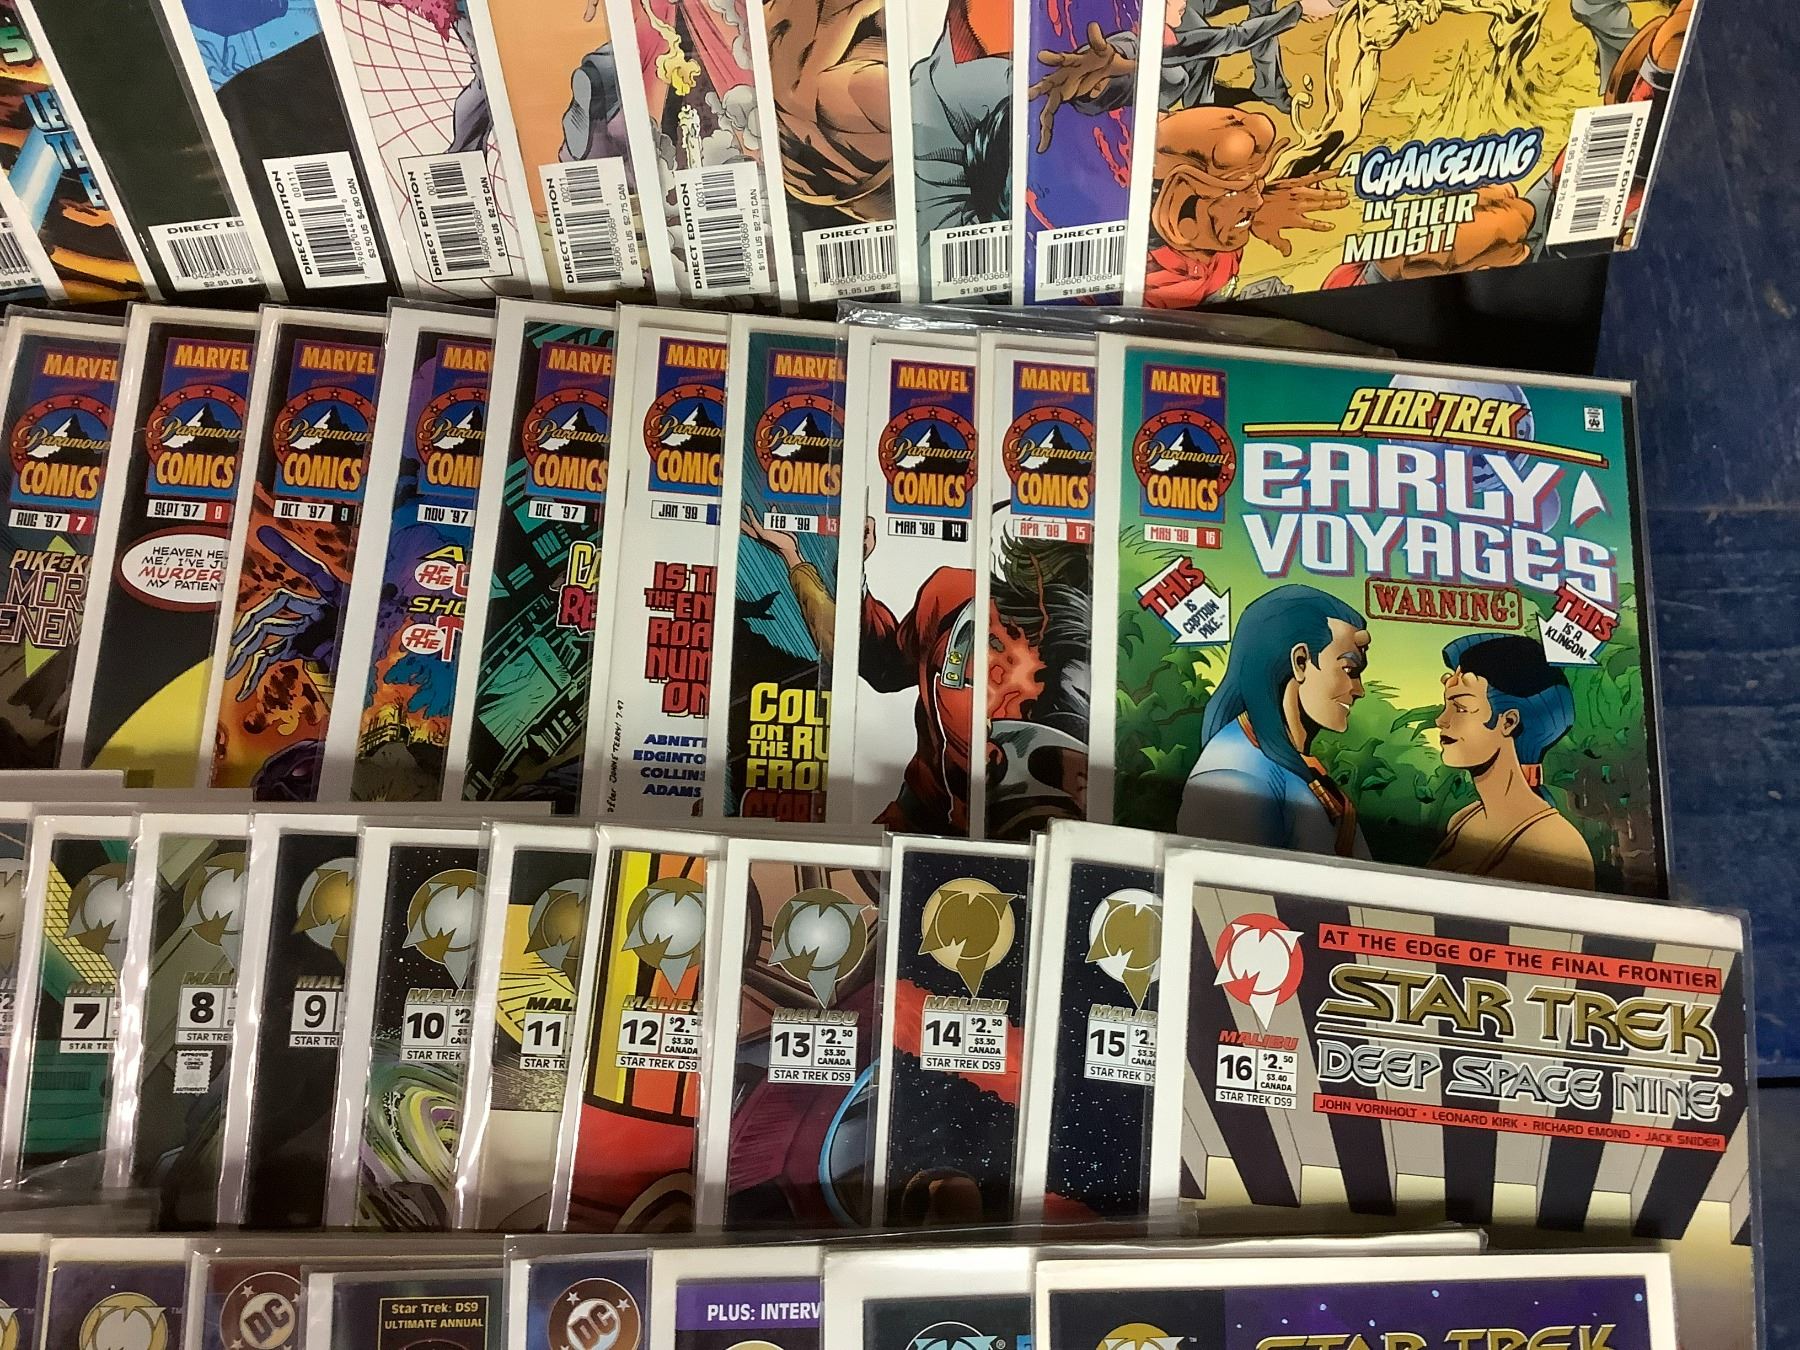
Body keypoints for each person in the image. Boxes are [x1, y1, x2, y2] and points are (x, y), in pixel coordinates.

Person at [1177, 585, 1370, 857]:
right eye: (1349, 670)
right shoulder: (1234, 779)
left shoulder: (1294, 766)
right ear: (1300, 662)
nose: (1359, 690)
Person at [1429, 632, 1594, 888]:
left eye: (1460, 708)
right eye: (1446, 706)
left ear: (1508, 722)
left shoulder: (1560, 847)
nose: (1441, 720)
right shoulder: (1462, 820)